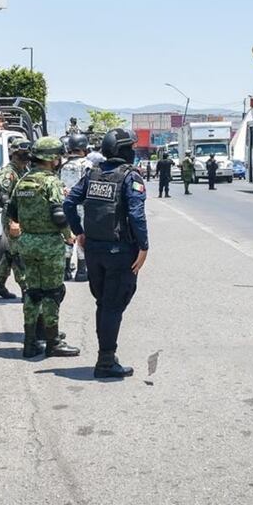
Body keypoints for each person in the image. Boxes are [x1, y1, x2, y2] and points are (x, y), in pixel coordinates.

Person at [64, 128, 149, 379]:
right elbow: (135, 214)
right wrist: (144, 247)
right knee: (113, 306)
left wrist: (79, 232)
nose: (133, 152)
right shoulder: (130, 177)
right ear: (123, 151)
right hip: (119, 252)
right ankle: (105, 362)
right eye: (130, 148)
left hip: (94, 251)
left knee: (104, 304)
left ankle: (107, 356)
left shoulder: (93, 175)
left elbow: (69, 203)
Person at [6, 136, 81, 359]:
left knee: (32, 293)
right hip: (49, 244)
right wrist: (69, 235)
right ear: (52, 159)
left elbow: (12, 212)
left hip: (27, 243)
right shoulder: (51, 182)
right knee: (52, 293)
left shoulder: (23, 181)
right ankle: (53, 342)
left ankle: (30, 343)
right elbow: (59, 214)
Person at [0, 138, 31, 300]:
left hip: (22, 217)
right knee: (18, 254)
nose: (26, 156)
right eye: (22, 152)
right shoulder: (9, 173)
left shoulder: (23, 170)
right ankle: (26, 288)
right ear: (14, 153)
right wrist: (14, 219)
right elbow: (2, 197)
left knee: (10, 252)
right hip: (12, 218)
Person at [59, 133, 91, 282]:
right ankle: (81, 270)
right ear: (84, 147)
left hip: (65, 205)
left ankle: (66, 270)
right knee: (82, 236)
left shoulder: (63, 165)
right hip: (83, 206)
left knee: (68, 236)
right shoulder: (87, 165)